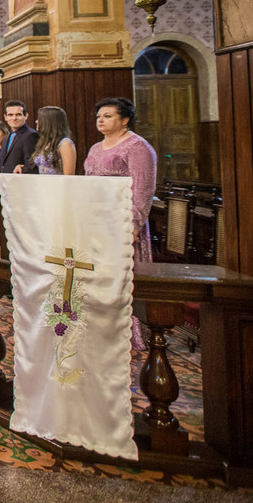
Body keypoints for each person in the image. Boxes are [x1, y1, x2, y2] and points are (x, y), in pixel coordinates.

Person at [84, 97, 158, 351]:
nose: (100, 120)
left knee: (123, 277)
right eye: (98, 117)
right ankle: (101, 326)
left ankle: (129, 332)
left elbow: (143, 189)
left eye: (107, 116)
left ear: (124, 120)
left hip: (123, 222)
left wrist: (133, 224)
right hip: (97, 221)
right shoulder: (95, 148)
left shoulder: (138, 147)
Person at [27, 106, 76, 175]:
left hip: (57, 185)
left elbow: (69, 175)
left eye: (40, 119)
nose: (36, 121)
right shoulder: (45, 142)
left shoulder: (65, 143)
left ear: (49, 121)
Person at [0, 100, 39, 174]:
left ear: (26, 116)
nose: (14, 118)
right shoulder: (6, 137)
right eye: (10, 115)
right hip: (5, 182)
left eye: (18, 114)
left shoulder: (31, 135)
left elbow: (32, 165)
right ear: (5, 117)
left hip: (20, 182)